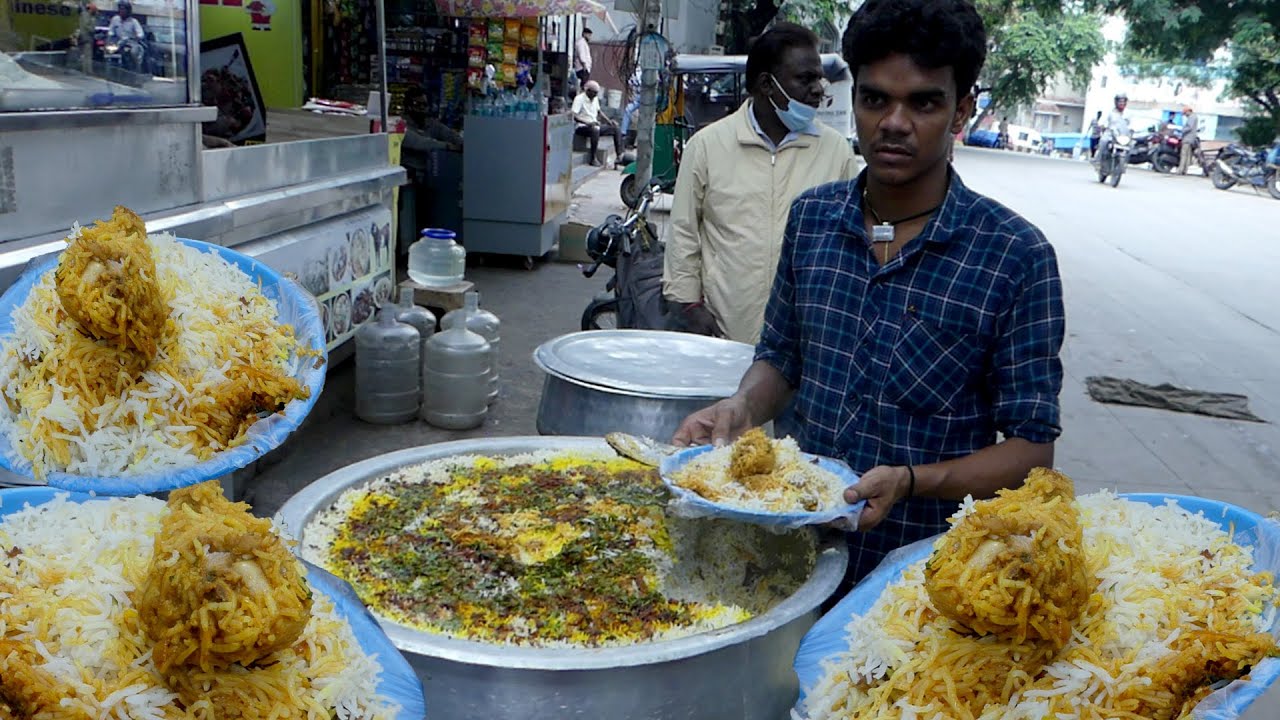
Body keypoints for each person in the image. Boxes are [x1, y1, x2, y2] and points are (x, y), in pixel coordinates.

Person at [672, 0, 1065, 596]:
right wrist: (742, 407)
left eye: (924, 102)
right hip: (789, 549)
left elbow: (1031, 452)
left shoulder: (1014, 256)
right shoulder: (813, 221)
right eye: (875, 98)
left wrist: (913, 480)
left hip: (924, 581)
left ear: (962, 110)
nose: (894, 122)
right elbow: (781, 357)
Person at [663, 23, 860, 344]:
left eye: (819, 78)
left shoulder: (835, 150)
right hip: (725, 333)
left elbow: (852, 240)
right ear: (767, 85)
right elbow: (684, 232)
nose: (818, 89)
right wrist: (690, 307)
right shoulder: (708, 146)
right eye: (805, 78)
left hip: (807, 339)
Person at [572, 80, 621, 166]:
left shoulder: (595, 99)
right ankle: (593, 158)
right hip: (582, 127)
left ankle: (619, 156)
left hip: (594, 124)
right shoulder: (579, 99)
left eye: (596, 93)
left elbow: (599, 112)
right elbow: (574, 116)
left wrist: (609, 121)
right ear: (588, 91)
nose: (595, 95)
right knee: (595, 130)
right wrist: (587, 123)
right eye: (594, 93)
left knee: (615, 128)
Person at [108, 0, 145, 70]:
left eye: (124, 9)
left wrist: (137, 37)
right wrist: (110, 37)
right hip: (118, 43)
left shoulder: (134, 22)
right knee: (108, 50)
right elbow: (111, 31)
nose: (122, 11)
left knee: (133, 52)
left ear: (128, 10)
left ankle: (135, 69)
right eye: (120, 9)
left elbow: (141, 34)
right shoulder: (115, 19)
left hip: (131, 43)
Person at [1096, 93, 1130, 165]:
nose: (1122, 103)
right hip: (1110, 134)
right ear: (1116, 102)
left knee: (1132, 145)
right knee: (1103, 141)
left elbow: (1133, 124)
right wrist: (1102, 125)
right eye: (1120, 101)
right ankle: (1098, 160)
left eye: (1123, 101)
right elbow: (1101, 121)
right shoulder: (1110, 111)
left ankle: (1125, 163)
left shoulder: (1128, 113)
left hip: (1123, 136)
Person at [619, 66, 642, 148]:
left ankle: (638, 141)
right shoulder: (637, 72)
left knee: (643, 118)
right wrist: (630, 95)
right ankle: (623, 133)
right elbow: (630, 85)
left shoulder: (654, 73)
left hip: (649, 100)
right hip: (637, 98)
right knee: (628, 110)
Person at [1178, 105, 1200, 175]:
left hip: (1187, 139)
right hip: (1191, 139)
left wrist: (1182, 130)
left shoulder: (1192, 117)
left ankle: (1181, 170)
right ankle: (1185, 170)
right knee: (1188, 155)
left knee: (1184, 154)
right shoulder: (1194, 117)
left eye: (1185, 113)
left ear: (1188, 111)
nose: (1185, 115)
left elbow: (1189, 127)